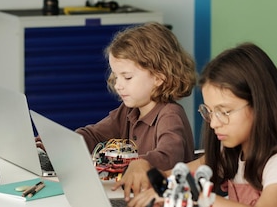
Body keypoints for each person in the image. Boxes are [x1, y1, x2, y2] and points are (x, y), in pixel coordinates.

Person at [127, 43, 277, 207]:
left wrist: (199, 197)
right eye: (209, 111)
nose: (214, 123)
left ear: (260, 104)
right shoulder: (232, 153)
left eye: (224, 111)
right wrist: (144, 168)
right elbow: (184, 172)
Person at [37, 22, 197, 184]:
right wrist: (59, 143)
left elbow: (168, 157)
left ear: (158, 77)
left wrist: (133, 164)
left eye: (127, 77)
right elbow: (95, 135)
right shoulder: (128, 111)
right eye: (116, 76)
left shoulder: (170, 115)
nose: (118, 85)